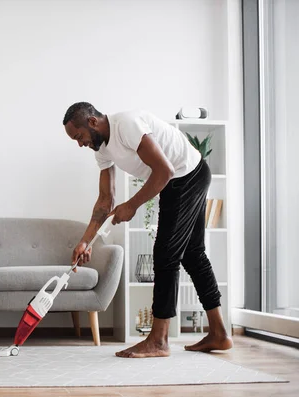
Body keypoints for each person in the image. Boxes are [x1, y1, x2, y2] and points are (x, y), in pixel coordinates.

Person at [62, 102, 233, 358]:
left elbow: (165, 170)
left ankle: (159, 340)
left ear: (93, 122)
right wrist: (86, 242)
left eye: (79, 136)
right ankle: (219, 333)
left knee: (166, 254)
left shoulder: (126, 125)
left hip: (185, 175)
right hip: (182, 177)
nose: (80, 143)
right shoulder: (102, 151)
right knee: (192, 254)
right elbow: (105, 201)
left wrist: (131, 205)